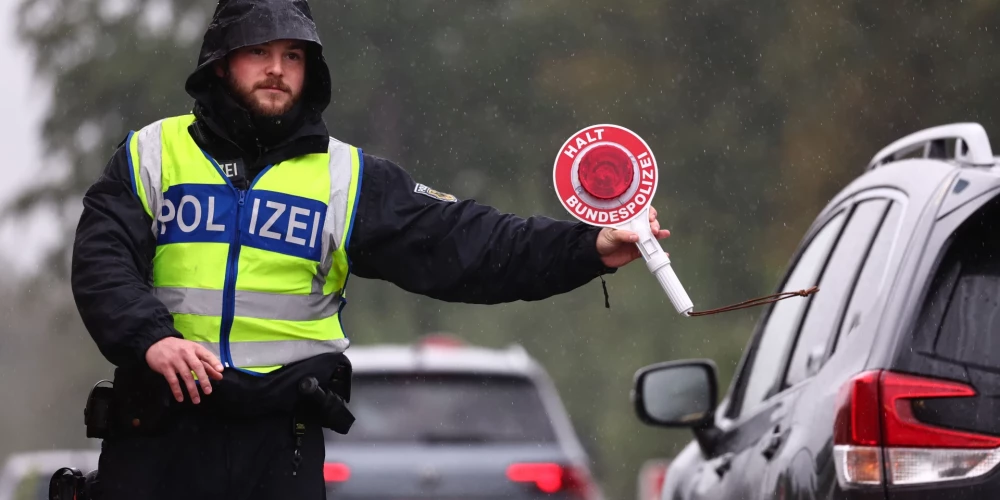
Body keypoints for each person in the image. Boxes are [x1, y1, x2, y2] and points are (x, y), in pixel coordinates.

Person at [69, 1, 671, 499]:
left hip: (280, 442)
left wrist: (588, 246)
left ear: (310, 71)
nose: (277, 69)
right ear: (222, 63)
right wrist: (152, 339)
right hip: (161, 431)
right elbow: (102, 260)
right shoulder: (152, 152)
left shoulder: (348, 177)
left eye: (293, 56)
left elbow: (467, 243)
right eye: (259, 52)